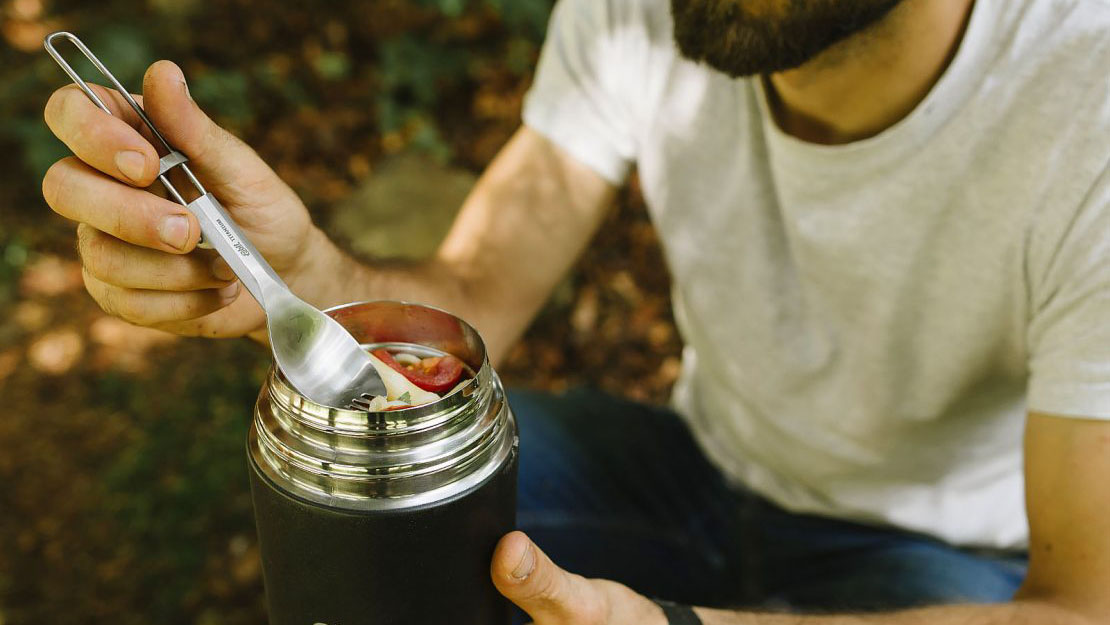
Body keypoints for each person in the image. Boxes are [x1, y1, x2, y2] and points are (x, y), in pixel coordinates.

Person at [41, 0, 1110, 622]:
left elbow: (1080, 606)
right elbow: (480, 296)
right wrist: (310, 276)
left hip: (927, 559)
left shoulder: (1084, 96)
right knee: (365, 528)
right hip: (694, 467)